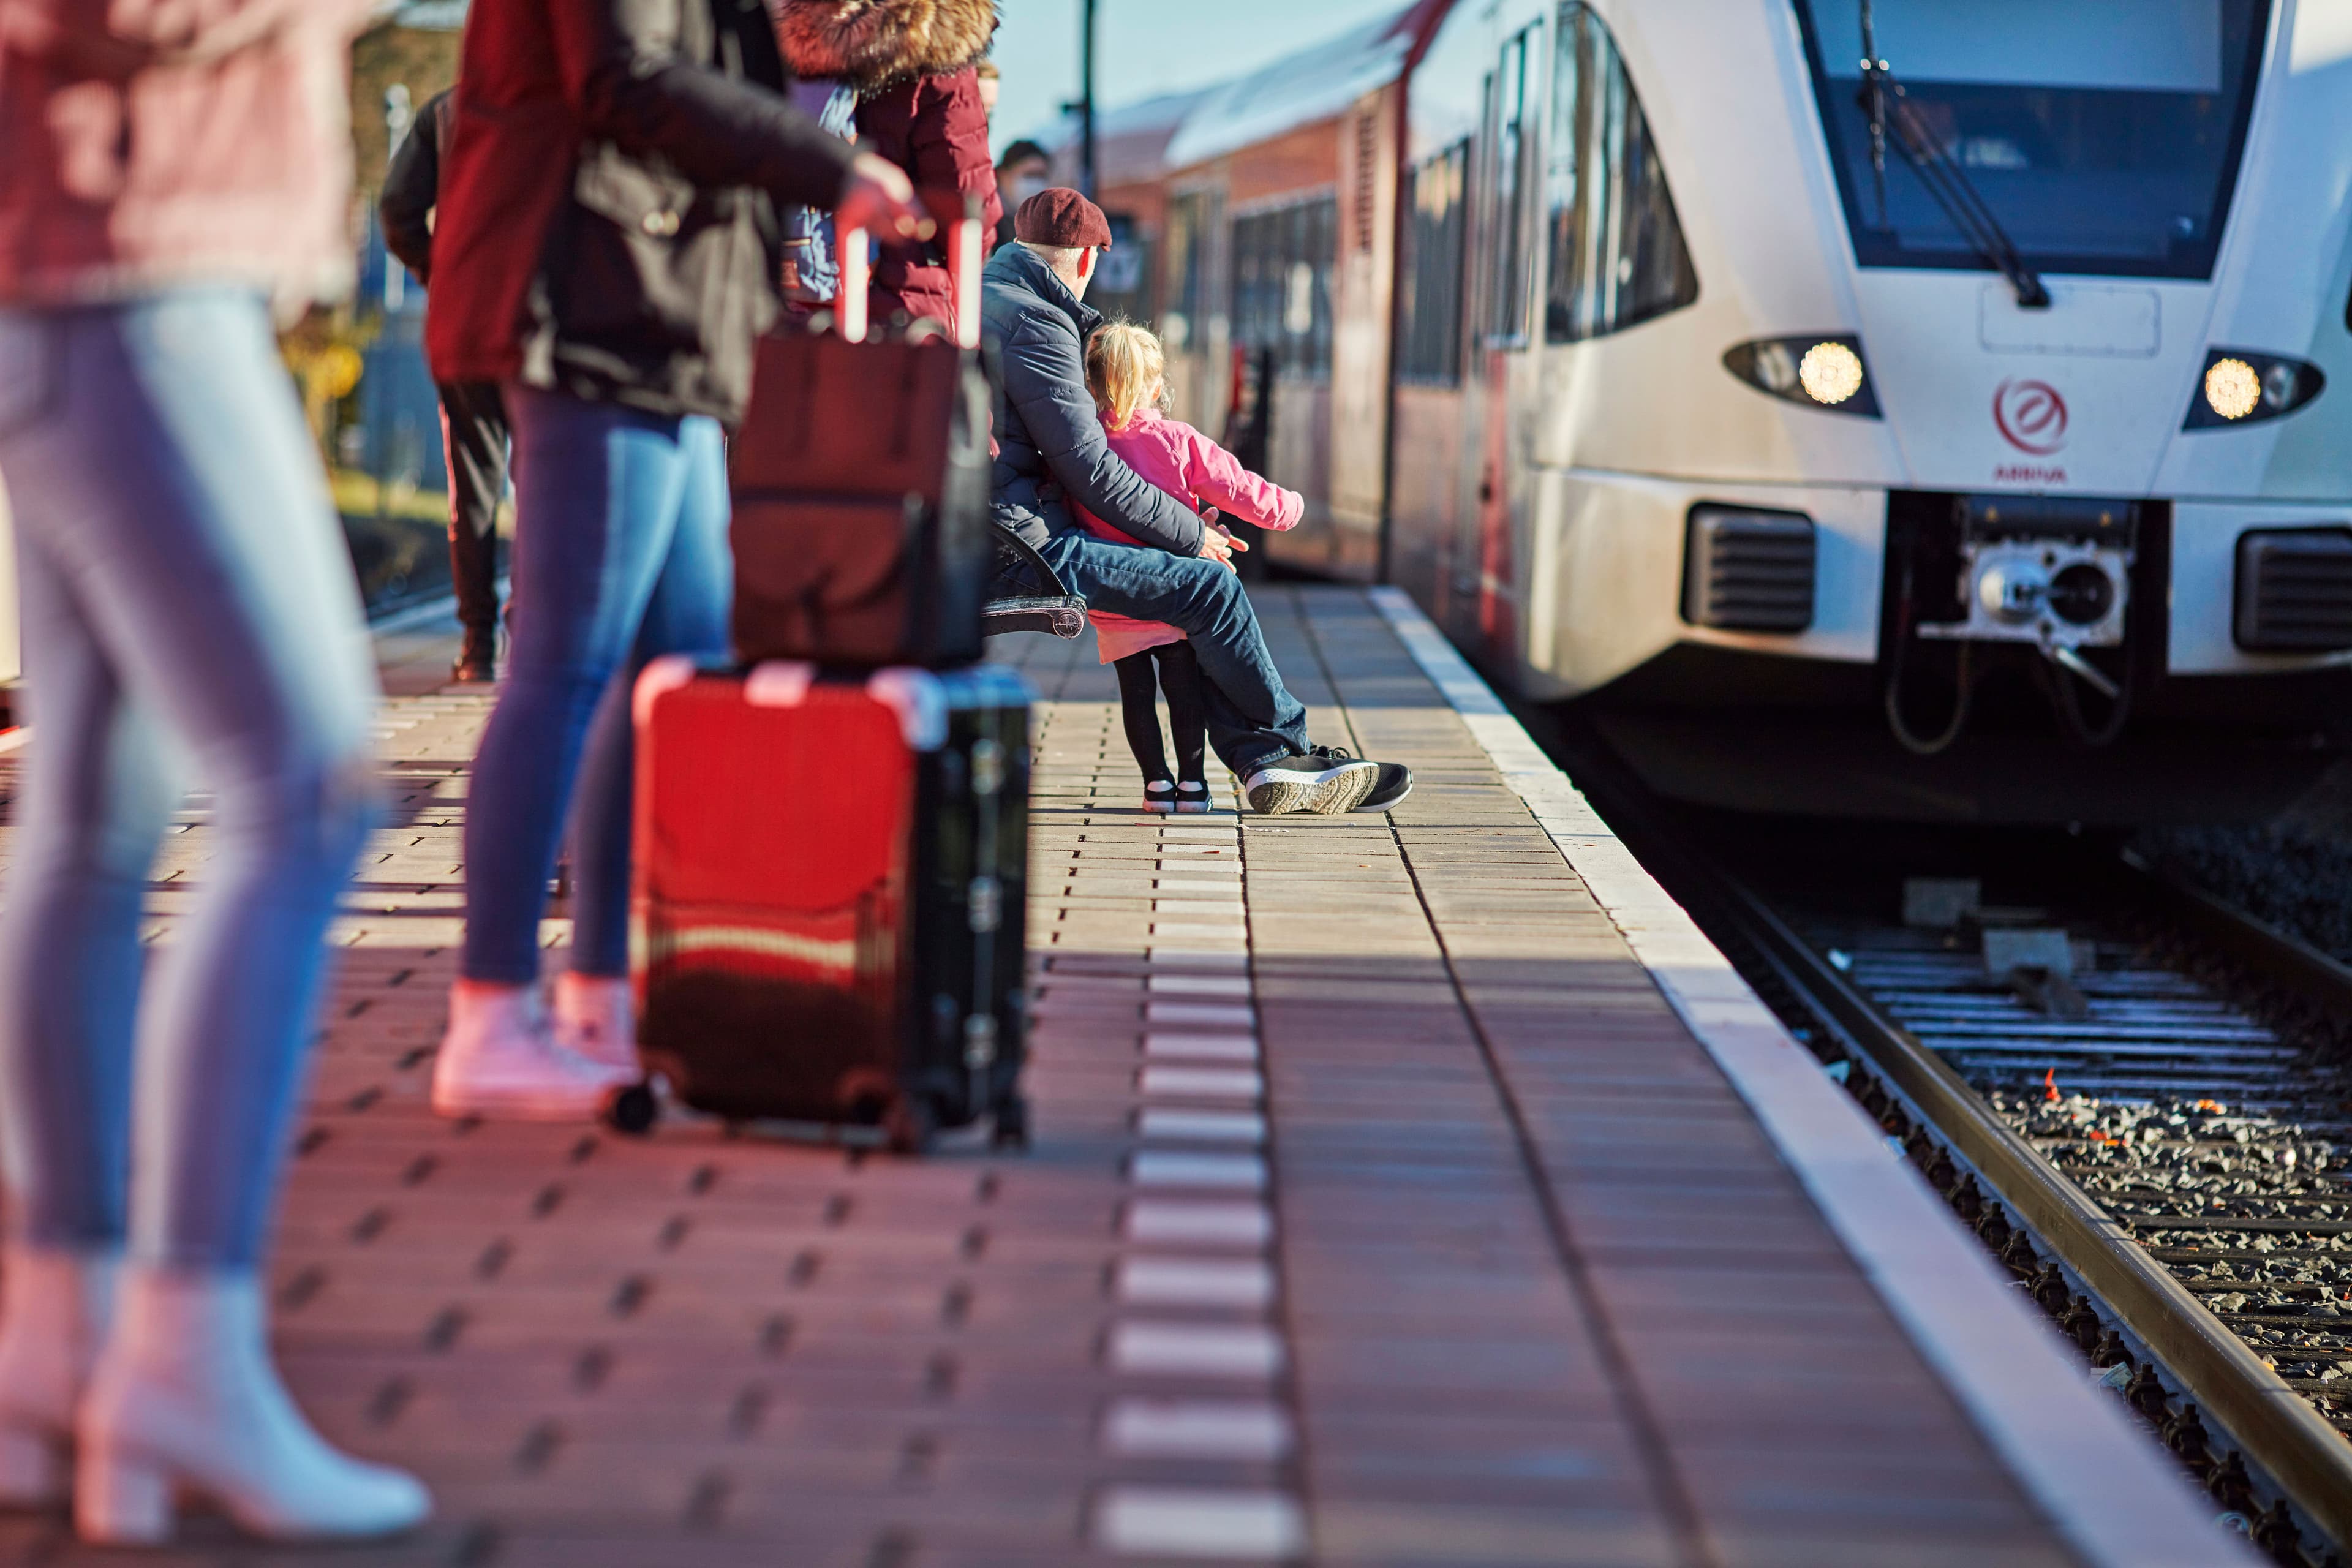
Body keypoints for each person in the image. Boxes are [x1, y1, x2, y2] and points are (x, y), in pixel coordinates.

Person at [0, 0, 430, 1545]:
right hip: (131, 272)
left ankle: (57, 1331)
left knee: (98, 822)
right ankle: (185, 1342)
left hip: (88, 265)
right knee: (304, 790)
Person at [424, 0, 928, 1120]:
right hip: (598, 304)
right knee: (569, 667)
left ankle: (604, 1001)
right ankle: (493, 1015)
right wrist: (824, 161)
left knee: (671, 681)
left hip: (660, 316)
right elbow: (626, 78)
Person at [984, 189, 1412, 815]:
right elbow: (1092, 469)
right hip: (1025, 548)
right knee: (1211, 589)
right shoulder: (1038, 323)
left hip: (1006, 530)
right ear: (1083, 261)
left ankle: (1264, 761)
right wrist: (1191, 533)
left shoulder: (999, 292)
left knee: (1194, 596)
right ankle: (1282, 752)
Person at [1079, 323, 1303, 814]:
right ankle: (1193, 787)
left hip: (1114, 596)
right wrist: (1290, 508)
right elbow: (1240, 487)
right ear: (1156, 386)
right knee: (1184, 694)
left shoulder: (1084, 444)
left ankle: (1156, 786)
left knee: (1136, 695)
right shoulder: (1177, 439)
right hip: (1176, 593)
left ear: (1092, 384)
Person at [379, 86, 508, 684]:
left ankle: (478, 645)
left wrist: (439, 271)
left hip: (464, 322)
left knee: (473, 484)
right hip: (544, 325)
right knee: (547, 484)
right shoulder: (564, 101)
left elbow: (398, 210)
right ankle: (531, 631)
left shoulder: (446, 110)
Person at [774, 0, 1002, 331]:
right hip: (888, 313)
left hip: (765, 302)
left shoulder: (763, 25)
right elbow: (969, 207)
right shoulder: (937, 32)